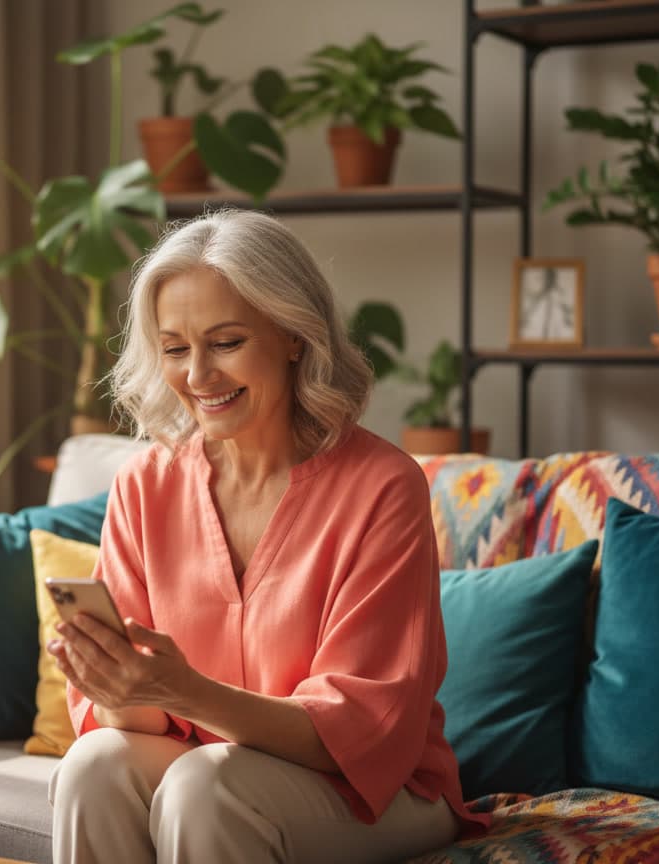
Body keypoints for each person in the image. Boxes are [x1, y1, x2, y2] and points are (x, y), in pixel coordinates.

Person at [46, 210, 490, 864]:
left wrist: (179, 690)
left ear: (292, 335)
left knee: (206, 787)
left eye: (225, 342)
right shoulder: (144, 486)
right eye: (174, 348)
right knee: (94, 764)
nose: (197, 375)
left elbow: (359, 734)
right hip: (210, 769)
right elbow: (139, 723)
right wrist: (120, 686)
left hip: (376, 792)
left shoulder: (383, 486)